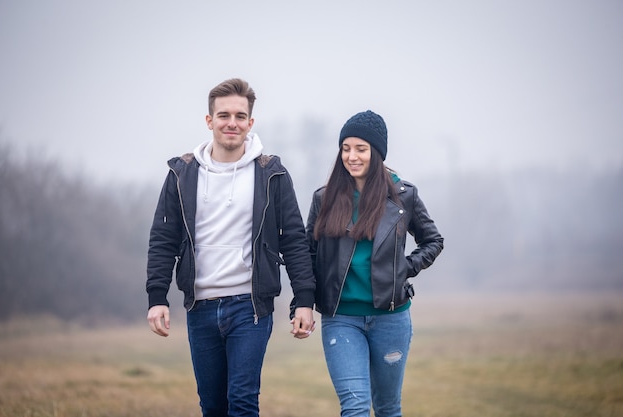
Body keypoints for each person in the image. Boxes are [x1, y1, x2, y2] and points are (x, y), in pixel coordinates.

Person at [146, 78, 316, 417]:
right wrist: (157, 298)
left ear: (250, 123)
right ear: (209, 121)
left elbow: (294, 239)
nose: (232, 123)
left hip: (250, 307)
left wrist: (304, 301)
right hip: (200, 307)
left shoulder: (271, 174)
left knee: (241, 402)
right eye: (223, 115)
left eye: (240, 116)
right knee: (212, 406)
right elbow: (163, 240)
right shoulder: (182, 174)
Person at [306, 110, 444, 417]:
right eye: (346, 148)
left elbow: (433, 241)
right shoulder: (324, 198)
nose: (351, 156)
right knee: (355, 407)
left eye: (361, 149)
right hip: (341, 318)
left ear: (377, 153)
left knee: (387, 408)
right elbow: (308, 255)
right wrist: (301, 304)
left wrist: (404, 268)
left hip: (391, 319)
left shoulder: (403, 196)